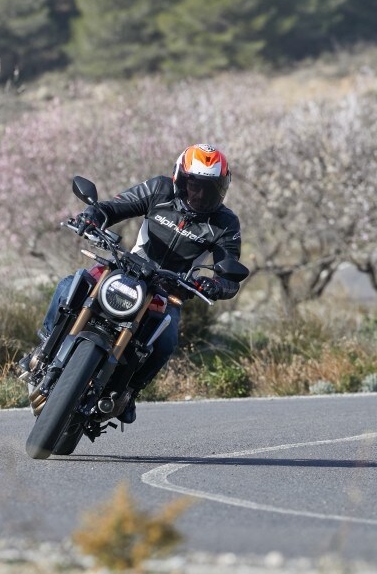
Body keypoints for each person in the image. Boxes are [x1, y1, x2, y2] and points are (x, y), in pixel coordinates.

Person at [22, 144, 243, 423]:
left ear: (222, 189)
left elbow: (229, 273)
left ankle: (128, 392)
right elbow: (112, 207)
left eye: (209, 189)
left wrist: (215, 285)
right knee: (70, 285)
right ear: (179, 178)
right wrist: (92, 217)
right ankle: (43, 347)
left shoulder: (225, 223)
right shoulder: (159, 190)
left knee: (166, 340)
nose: (199, 194)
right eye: (193, 185)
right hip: (127, 267)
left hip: (169, 289)